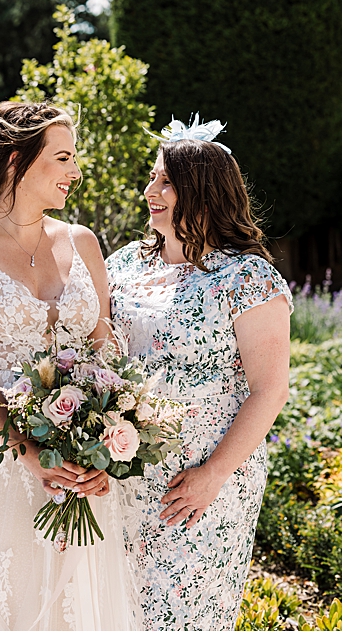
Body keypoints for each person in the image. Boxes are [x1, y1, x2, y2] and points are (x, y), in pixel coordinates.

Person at [0, 101, 139, 630]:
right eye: (63, 158)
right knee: (5, 597)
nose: (77, 171)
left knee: (74, 602)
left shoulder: (83, 242)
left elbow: (103, 349)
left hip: (78, 449)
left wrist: (104, 448)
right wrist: (27, 451)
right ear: (19, 159)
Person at [106, 117, 292, 630]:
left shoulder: (247, 276)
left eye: (166, 181)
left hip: (204, 475)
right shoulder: (122, 265)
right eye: (152, 178)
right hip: (122, 468)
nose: (151, 191)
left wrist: (213, 475)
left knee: (184, 613)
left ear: (204, 192)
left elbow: (271, 389)